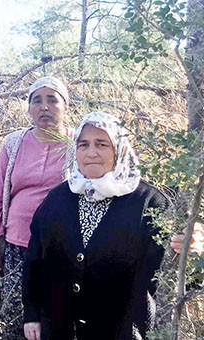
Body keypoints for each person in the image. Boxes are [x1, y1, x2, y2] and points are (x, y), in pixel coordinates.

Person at [22, 111, 169, 340]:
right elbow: (34, 261)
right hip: (59, 329)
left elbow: (169, 275)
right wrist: (31, 314)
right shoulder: (58, 199)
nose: (91, 153)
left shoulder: (149, 202)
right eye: (83, 145)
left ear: (118, 149)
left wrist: (190, 250)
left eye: (101, 144)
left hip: (124, 331)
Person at [0, 76, 71, 338]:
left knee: (59, 317)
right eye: (37, 101)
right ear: (29, 108)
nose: (44, 107)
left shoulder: (78, 142)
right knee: (18, 319)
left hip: (62, 248)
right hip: (17, 246)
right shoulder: (14, 142)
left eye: (52, 100)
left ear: (64, 106)